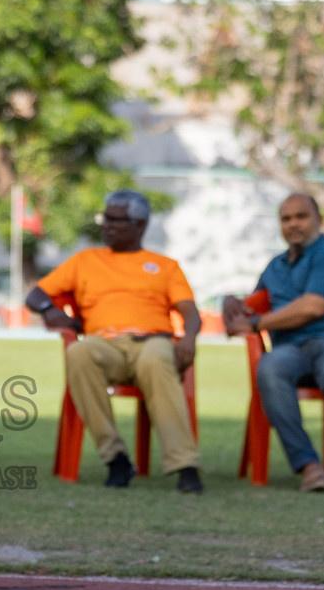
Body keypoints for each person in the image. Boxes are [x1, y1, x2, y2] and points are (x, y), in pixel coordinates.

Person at [26, 190, 204, 493]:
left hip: (152, 342)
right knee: (79, 352)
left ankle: (184, 465)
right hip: (103, 345)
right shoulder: (85, 261)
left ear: (140, 225)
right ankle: (116, 458)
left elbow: (189, 310)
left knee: (157, 360)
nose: (106, 225)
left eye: (115, 220)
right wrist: (49, 311)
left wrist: (188, 337)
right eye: (104, 219)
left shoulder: (164, 266)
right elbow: (35, 295)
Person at [222, 193, 324, 493]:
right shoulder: (274, 267)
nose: (293, 224)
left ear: (319, 220)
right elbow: (252, 308)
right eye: (286, 218)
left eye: (301, 216)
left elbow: (313, 307)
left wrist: (257, 323)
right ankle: (309, 466)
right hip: (290, 349)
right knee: (270, 369)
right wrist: (232, 303)